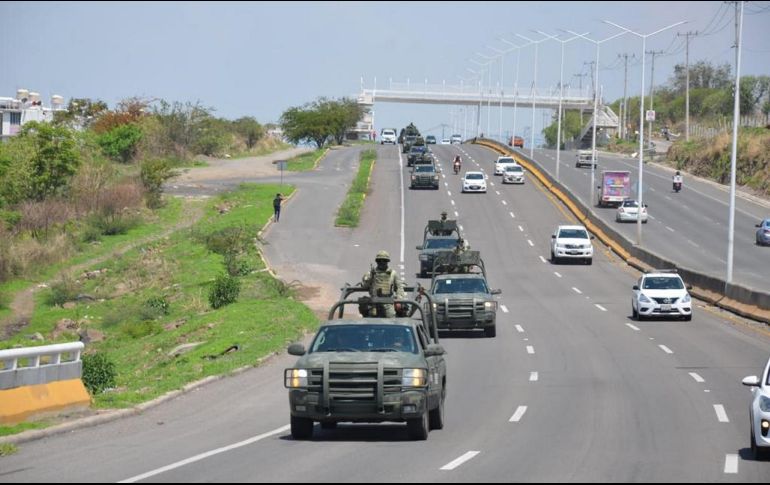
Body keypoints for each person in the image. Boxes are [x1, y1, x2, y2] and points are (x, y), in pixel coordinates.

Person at [360, 250, 406, 318]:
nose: (382, 262)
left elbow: (399, 288)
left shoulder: (393, 274)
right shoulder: (370, 274)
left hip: (388, 303)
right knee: (370, 320)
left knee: (391, 320)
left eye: (384, 260)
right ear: (376, 261)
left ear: (387, 261)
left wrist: (399, 300)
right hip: (374, 303)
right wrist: (371, 277)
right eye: (379, 260)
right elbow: (364, 286)